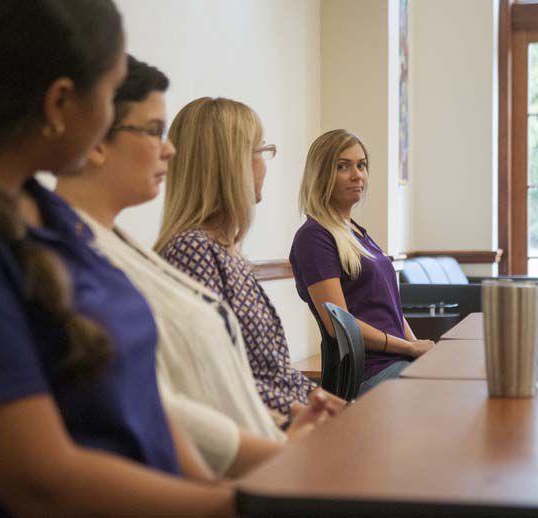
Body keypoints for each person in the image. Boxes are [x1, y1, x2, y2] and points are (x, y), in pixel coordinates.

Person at [0, 2, 235, 516]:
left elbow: (137, 396)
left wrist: (211, 493)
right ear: (60, 103)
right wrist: (233, 507)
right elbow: (41, 482)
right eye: (113, 94)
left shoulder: (42, 208)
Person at [56, 56, 345, 478]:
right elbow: (171, 402)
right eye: (154, 131)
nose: (168, 150)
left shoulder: (125, 245)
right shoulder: (182, 250)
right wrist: (281, 439)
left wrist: (297, 423)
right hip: (251, 460)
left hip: (264, 447)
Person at [154, 97, 324, 419]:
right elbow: (219, 381)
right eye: (261, 150)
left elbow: (272, 373)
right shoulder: (192, 251)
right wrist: (305, 412)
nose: (264, 164)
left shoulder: (225, 250)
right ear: (231, 163)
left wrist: (320, 400)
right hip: (267, 433)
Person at [289, 129, 434, 394]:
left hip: (397, 362)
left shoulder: (356, 233)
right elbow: (340, 325)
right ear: (321, 174)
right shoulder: (314, 237)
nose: (357, 175)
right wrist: (410, 348)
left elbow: (391, 310)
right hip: (368, 373)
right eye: (343, 166)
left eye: (361, 165)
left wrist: (417, 348)